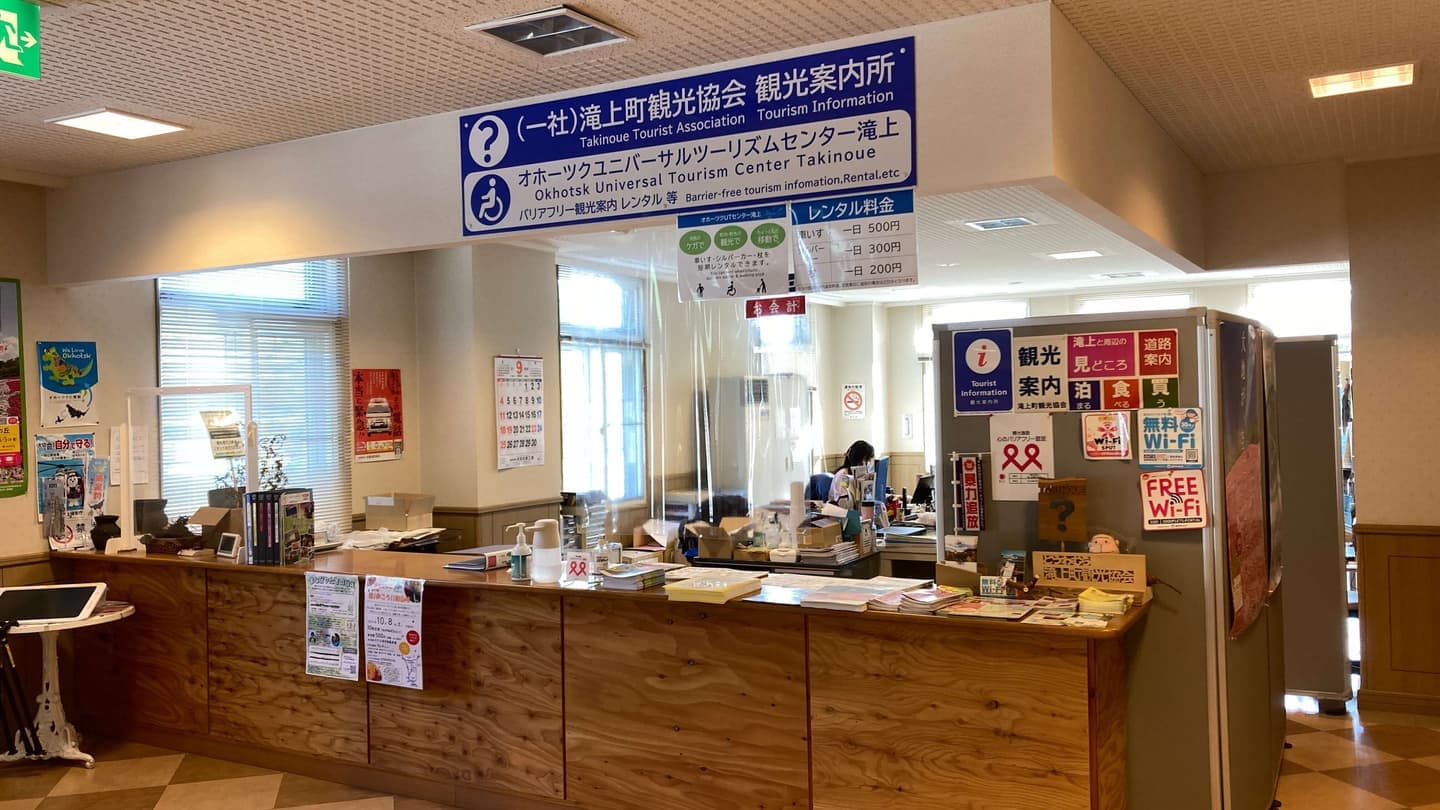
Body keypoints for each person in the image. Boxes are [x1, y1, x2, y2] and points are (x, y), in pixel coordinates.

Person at [828, 440, 875, 504]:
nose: (866, 465)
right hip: (840, 509)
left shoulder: (857, 474)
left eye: (868, 461)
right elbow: (843, 503)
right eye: (865, 461)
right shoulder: (843, 476)